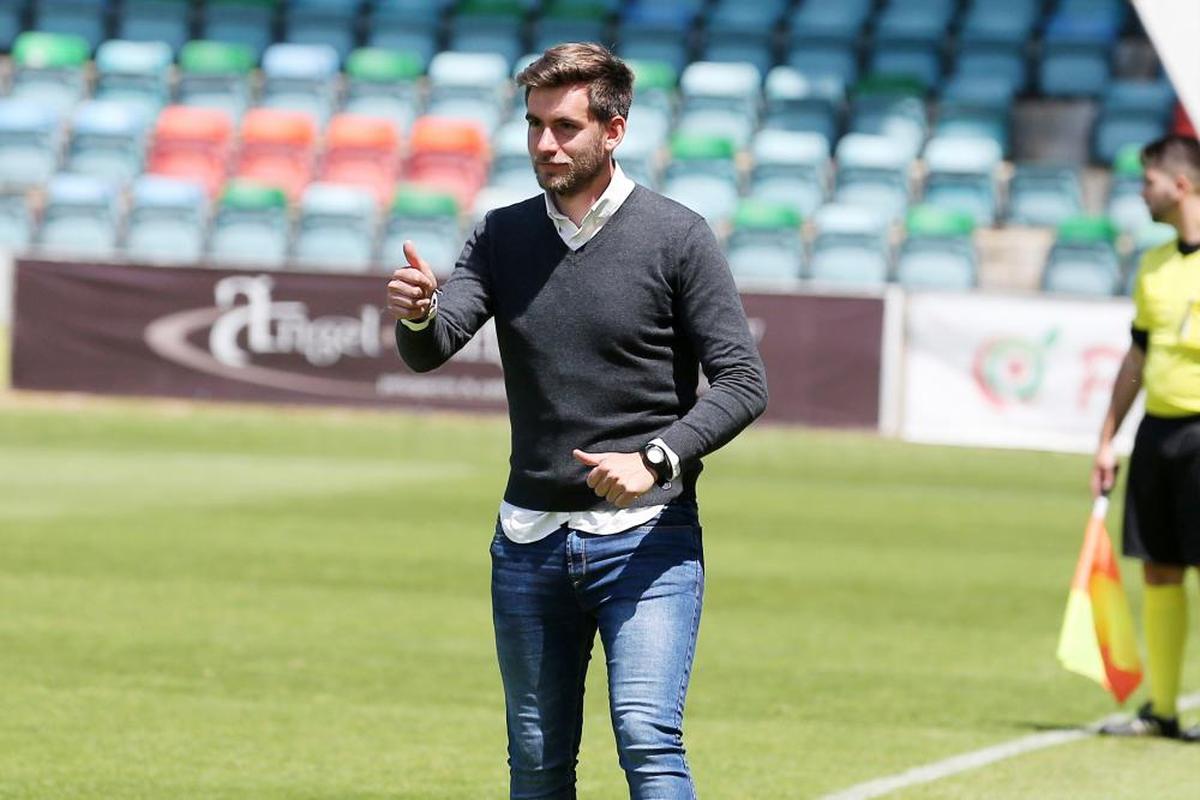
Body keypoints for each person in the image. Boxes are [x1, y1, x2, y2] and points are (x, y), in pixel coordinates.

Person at [386, 43, 768, 798]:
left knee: (647, 739)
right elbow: (433, 348)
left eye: (564, 126)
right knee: (535, 762)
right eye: (533, 126)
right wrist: (420, 315)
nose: (544, 144)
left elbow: (743, 381)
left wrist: (657, 459)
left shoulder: (677, 235)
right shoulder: (502, 234)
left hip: (650, 540)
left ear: (614, 131)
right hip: (527, 544)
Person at [1093, 134, 1200, 741]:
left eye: (1149, 179)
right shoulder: (1155, 265)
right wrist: (1108, 437)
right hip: (1160, 434)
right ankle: (1162, 708)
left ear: (1181, 185)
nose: (1141, 190)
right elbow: (1137, 356)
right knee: (1159, 569)